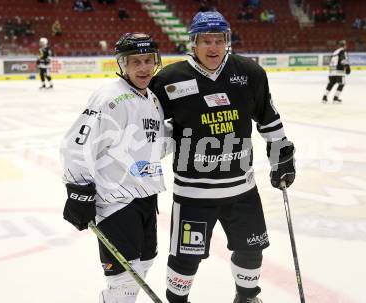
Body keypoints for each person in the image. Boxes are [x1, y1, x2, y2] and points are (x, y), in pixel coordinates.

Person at [150, 11, 296, 303]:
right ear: (193, 42)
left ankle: (246, 297)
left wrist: (282, 157)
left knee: (251, 248)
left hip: (242, 190)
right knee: (185, 258)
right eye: (206, 41)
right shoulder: (169, 79)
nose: (213, 47)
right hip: (193, 194)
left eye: (219, 40)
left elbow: (268, 119)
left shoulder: (249, 73)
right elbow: (150, 130)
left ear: (227, 41)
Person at [60, 32, 170, 303]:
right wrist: (78, 190)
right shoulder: (110, 97)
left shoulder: (151, 98)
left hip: (145, 196)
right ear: (123, 65)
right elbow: (75, 145)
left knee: (143, 266)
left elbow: (153, 145)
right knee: (124, 284)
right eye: (136, 62)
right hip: (117, 201)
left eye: (148, 60)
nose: (144, 68)